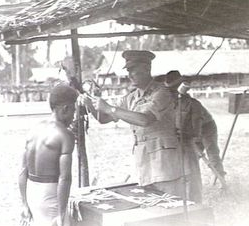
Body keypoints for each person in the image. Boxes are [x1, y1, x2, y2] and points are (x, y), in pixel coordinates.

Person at [83, 50, 202, 203]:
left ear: (146, 69)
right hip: (144, 163)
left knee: (172, 208)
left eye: (133, 69)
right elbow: (104, 118)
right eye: (128, 70)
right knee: (153, 209)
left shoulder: (162, 92)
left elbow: (145, 119)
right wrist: (91, 103)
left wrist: (109, 108)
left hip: (166, 164)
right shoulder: (131, 97)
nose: (130, 74)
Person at [18, 83, 78, 226]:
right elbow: (65, 179)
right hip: (50, 195)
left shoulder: (34, 129)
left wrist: (24, 204)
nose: (74, 116)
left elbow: (22, 171)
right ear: (65, 109)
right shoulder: (65, 135)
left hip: (31, 192)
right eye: (73, 110)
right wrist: (62, 214)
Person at [163, 70, 226, 180]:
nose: (172, 93)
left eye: (174, 89)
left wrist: (189, 135)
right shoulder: (169, 102)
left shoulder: (193, 104)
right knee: (192, 156)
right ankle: (187, 179)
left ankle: (221, 178)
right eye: (170, 90)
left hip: (206, 127)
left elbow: (196, 129)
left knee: (212, 152)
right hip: (189, 130)